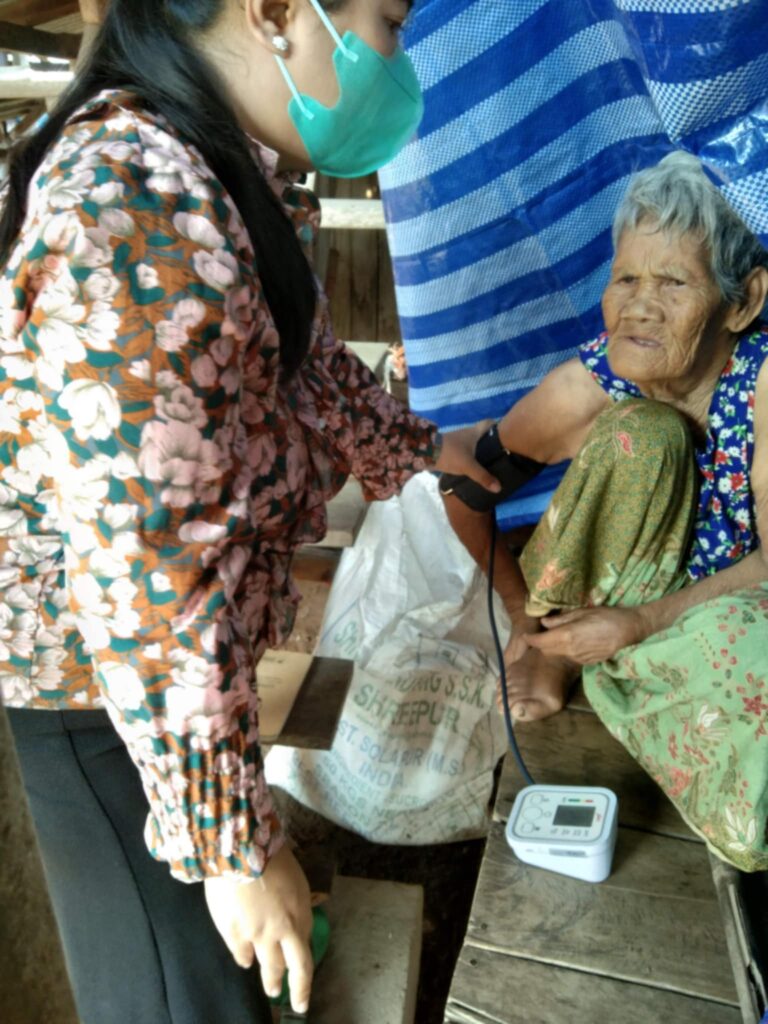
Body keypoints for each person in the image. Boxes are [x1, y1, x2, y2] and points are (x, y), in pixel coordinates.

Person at [0, 2, 502, 1021]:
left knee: (217, 973)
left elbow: (308, 366)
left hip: (161, 686)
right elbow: (150, 565)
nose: (395, 61)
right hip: (106, 686)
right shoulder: (133, 200)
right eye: (389, 23)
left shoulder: (212, 167)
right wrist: (233, 844)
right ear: (276, 11)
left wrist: (425, 450)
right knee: (179, 991)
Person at [442, 151, 768, 871]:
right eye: (626, 279)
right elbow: (463, 487)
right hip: (614, 612)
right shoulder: (592, 382)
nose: (639, 306)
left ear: (742, 302)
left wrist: (641, 624)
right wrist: (524, 619)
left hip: (711, 617)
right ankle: (558, 653)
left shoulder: (763, 383)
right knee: (643, 433)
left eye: (673, 282)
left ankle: (626, 672)